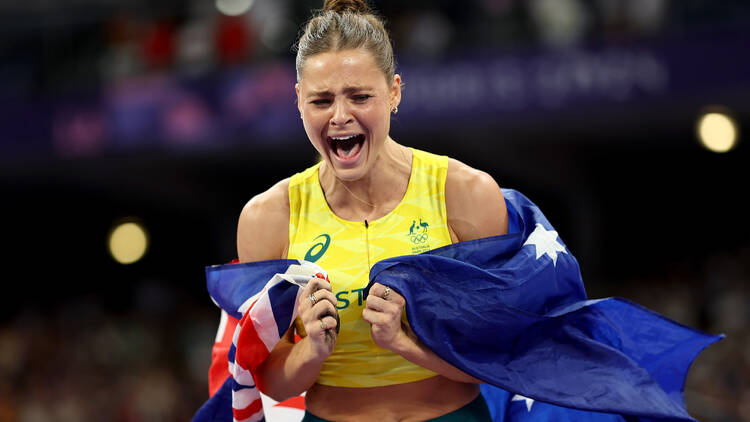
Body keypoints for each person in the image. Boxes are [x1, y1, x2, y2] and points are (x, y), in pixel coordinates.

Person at [233, 0, 508, 420]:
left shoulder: (465, 193)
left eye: (360, 96)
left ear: (395, 90)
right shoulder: (267, 218)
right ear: (298, 101)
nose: (341, 116)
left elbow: (499, 358)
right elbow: (267, 378)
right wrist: (311, 351)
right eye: (321, 101)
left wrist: (405, 343)